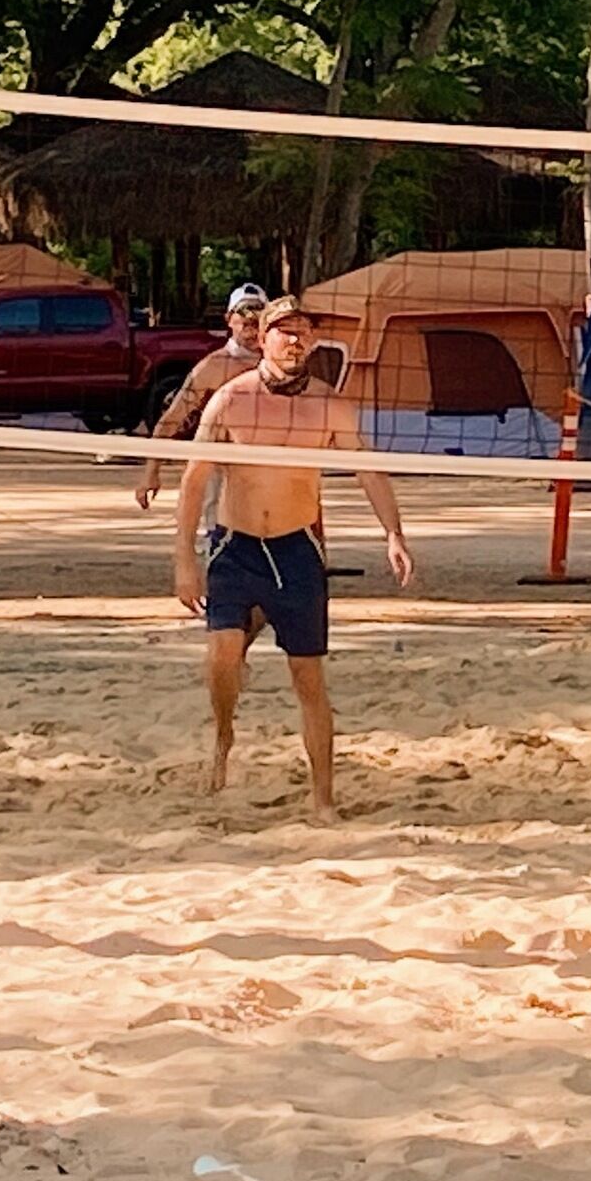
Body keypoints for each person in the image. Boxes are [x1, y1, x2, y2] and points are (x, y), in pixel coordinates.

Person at [166, 296, 418, 810]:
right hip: (236, 548)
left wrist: (393, 534)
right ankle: (223, 735)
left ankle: (323, 799)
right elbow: (193, 483)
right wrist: (184, 563)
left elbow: (367, 468)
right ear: (261, 337)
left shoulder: (328, 404)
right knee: (222, 659)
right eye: (285, 330)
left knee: (308, 678)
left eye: (304, 331)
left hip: (296, 548)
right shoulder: (231, 399)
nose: (296, 339)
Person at [135, 282, 269, 509]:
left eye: (257, 318)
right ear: (229, 319)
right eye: (243, 319)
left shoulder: (280, 364)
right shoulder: (212, 368)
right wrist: (151, 473)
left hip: (271, 467)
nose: (250, 327)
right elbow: (171, 419)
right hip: (222, 467)